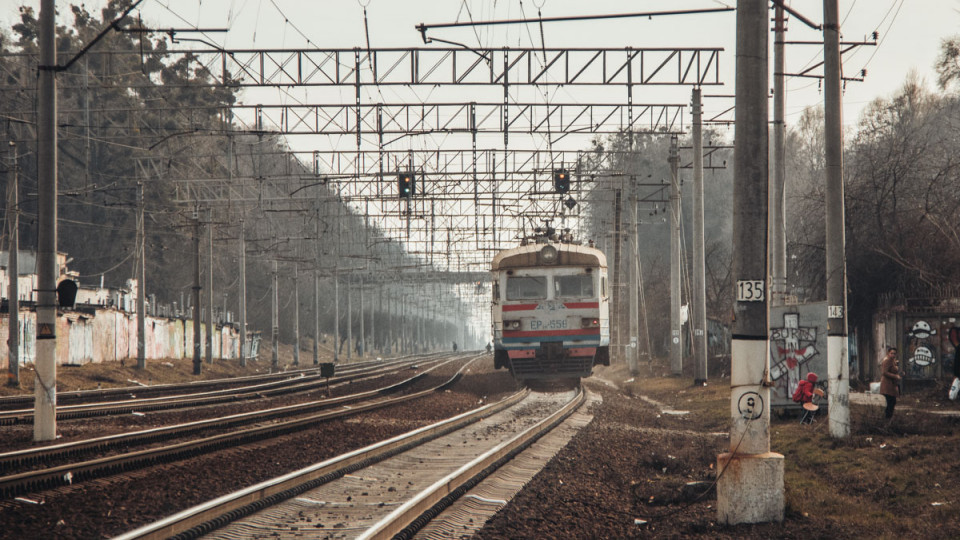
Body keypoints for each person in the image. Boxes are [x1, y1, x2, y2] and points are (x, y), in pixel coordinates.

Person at [879, 347, 901, 420]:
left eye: (894, 353)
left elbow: (893, 370)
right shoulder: (887, 360)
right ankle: (887, 419)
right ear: (888, 353)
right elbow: (884, 372)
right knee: (890, 402)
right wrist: (895, 376)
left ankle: (888, 419)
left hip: (892, 385)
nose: (893, 355)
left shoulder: (893, 361)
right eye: (891, 353)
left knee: (892, 402)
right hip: (887, 385)